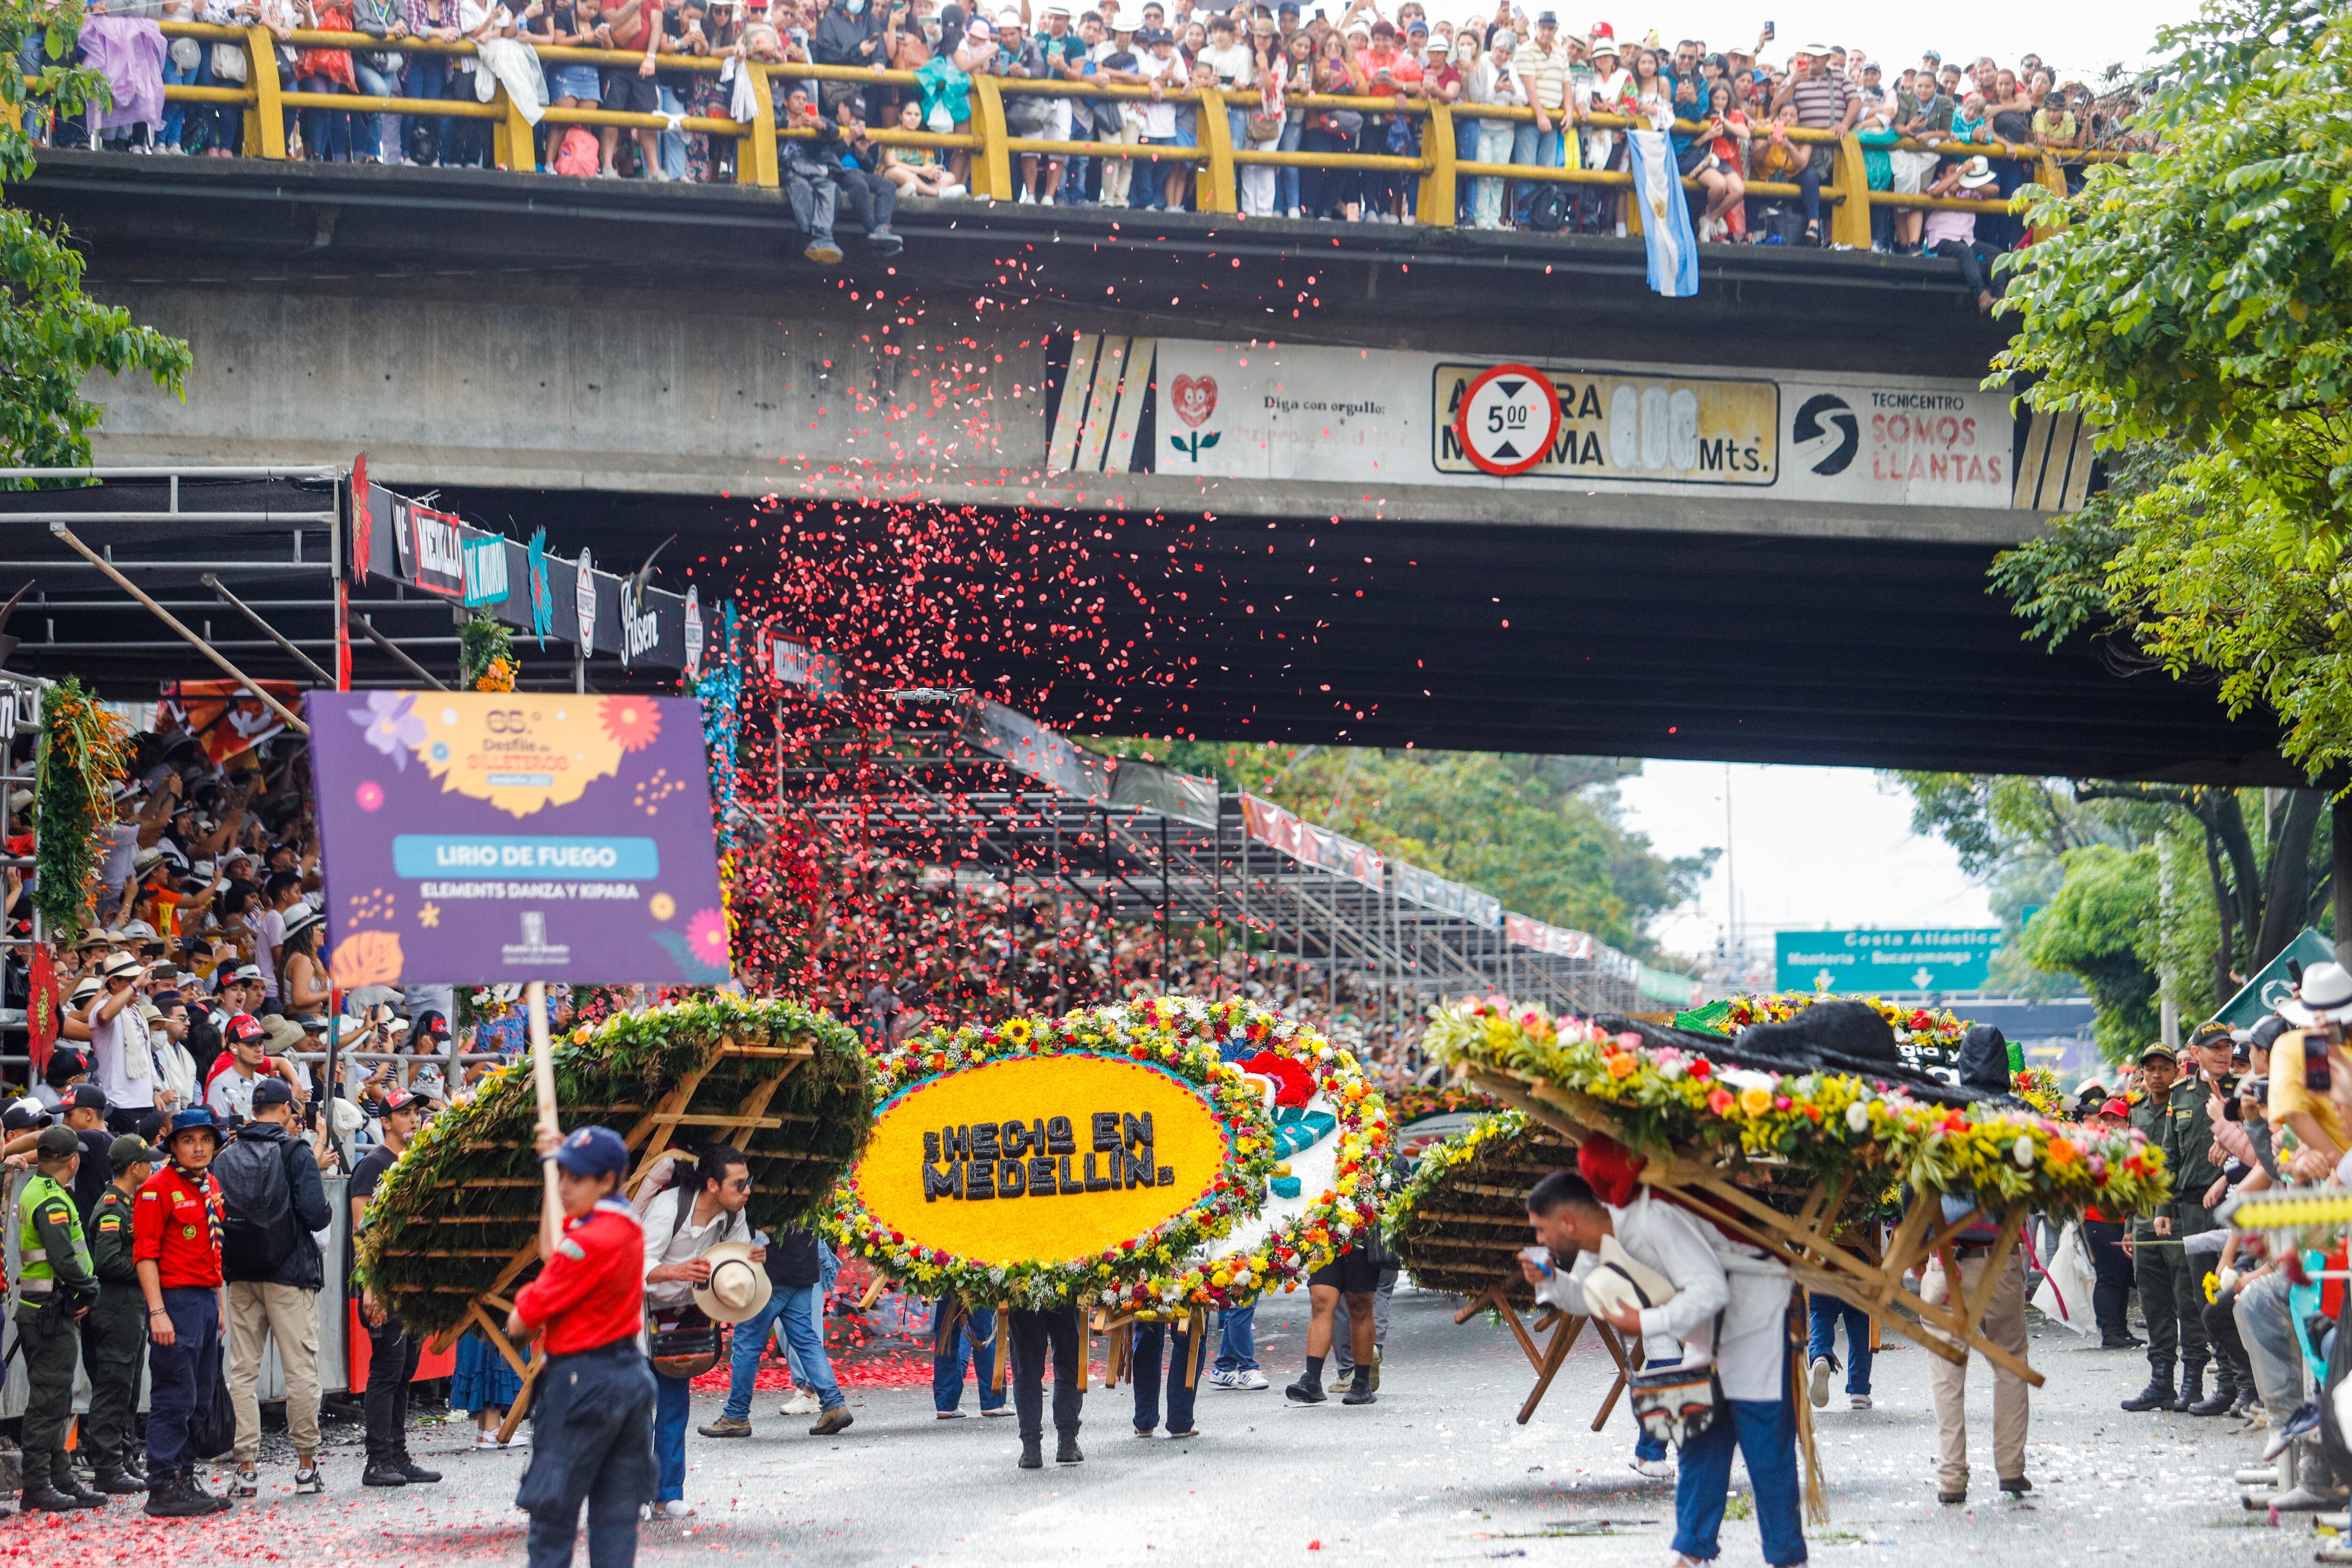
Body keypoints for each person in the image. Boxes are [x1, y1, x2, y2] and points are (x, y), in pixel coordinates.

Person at [1520, 1169, 1804, 1568]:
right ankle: (1691, 1550)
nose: (1539, 1240)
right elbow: (1586, 1297)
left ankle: (1787, 1557)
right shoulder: (1594, 1242)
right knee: (1698, 1435)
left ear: (1568, 1221)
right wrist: (1550, 1280)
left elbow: (1711, 1288)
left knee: (1764, 1443)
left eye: (1541, 1229)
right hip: (1704, 1329)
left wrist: (1646, 1322)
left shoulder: (1652, 1218)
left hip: (1755, 1315)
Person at [509, 1124, 657, 1568]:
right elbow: (553, 1241)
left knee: (552, 1517)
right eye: (562, 1175)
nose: (564, 1187)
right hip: (629, 1378)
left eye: (576, 1178)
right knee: (615, 1520)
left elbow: (520, 1320)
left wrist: (531, 1294)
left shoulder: (588, 1242)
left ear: (607, 1180)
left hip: (582, 1384)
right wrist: (554, 1164)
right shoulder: (626, 1223)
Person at [1922, 1024, 2033, 1504]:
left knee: (1947, 1370)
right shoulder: (2023, 1116)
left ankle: (1952, 1477)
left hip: (1946, 1260)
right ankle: (2011, 1470)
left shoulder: (1940, 1112)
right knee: (2009, 1361)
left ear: (1963, 1063)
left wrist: (1918, 1248)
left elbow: (1913, 1187)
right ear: (2004, 1066)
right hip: (2000, 1260)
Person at [216, 1076, 334, 1497]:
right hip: (290, 1274)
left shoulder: (226, 1154)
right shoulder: (296, 1150)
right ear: (286, 1109)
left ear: (253, 1109)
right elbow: (317, 1214)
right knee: (300, 1370)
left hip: (241, 1274)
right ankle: (305, 1466)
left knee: (242, 1371)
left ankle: (246, 1467)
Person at [641, 1143, 763, 1518]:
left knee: (675, 1406)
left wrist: (753, 1259)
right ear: (712, 1185)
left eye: (749, 1182)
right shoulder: (669, 1208)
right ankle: (632, 1495)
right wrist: (676, 1271)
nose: (747, 1191)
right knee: (637, 1407)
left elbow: (739, 1253)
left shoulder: (733, 1214)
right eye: (739, 1184)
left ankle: (668, 1493)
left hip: (687, 1317)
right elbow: (635, 1260)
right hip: (641, 1312)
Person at [135, 1107, 234, 1517]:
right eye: (189, 1140)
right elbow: (145, 1254)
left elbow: (214, 1248)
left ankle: (185, 1476)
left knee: (200, 1396)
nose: (199, 1148)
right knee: (175, 1395)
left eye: (206, 1140)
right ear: (173, 1146)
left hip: (205, 1300)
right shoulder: (157, 1187)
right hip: (175, 1301)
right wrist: (157, 1310)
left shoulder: (209, 1183)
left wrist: (219, 1305)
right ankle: (162, 1484)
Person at [351, 1087, 447, 1484]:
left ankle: (398, 1453)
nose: (413, 1118)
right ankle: (377, 1459)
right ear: (385, 1121)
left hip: (413, 1283)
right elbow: (362, 1232)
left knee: (406, 1369)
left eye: (415, 1112)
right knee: (387, 1369)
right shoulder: (372, 1166)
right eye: (404, 1113)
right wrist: (370, 1286)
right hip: (384, 1283)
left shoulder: (416, 1162)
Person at [18, 1124, 107, 1512]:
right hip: (50, 1312)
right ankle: (38, 1485)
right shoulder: (52, 1200)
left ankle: (61, 1479)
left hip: (44, 1309)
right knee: (48, 1402)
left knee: (56, 1399)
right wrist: (90, 1289)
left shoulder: (36, 1189)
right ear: (72, 1161)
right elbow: (63, 1258)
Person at [701, 1220, 852, 1437]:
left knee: (747, 1344)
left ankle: (736, 1416)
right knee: (806, 1340)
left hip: (769, 1271)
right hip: (803, 1265)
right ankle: (834, 1405)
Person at [84, 1132, 165, 1497]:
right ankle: (107, 1466)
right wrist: (147, 1270)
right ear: (134, 1167)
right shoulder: (112, 1208)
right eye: (148, 1163)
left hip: (130, 1307)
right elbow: (106, 1260)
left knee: (129, 1388)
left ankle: (125, 1457)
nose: (152, 1168)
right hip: (115, 1307)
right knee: (113, 1387)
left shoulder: (130, 1204)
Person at [2122, 1042, 2197, 1411]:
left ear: (2176, 1071)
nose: (2157, 1075)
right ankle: (2161, 1382)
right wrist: (2128, 1224)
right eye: (2150, 1069)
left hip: (2179, 1217)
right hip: (2143, 1218)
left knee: (2188, 1301)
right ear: (2142, 1073)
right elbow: (2132, 1171)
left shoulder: (2186, 1105)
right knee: (2154, 1305)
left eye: (2164, 1068)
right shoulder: (2135, 1112)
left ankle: (2193, 1382)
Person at [1285, 1234, 1380, 1406]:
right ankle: (1312, 1379)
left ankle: (1362, 1383)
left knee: (1360, 1304)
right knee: (1320, 1300)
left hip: (1364, 1232)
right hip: (1324, 1232)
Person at [1009, 1302, 1086, 1469]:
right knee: (1068, 1363)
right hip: (1063, 1295)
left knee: (1027, 1368)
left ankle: (1031, 1448)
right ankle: (1067, 1443)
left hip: (1025, 1296)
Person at [1805, 1286, 1872, 1411]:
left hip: (1824, 1275)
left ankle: (1820, 1357)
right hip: (1860, 1277)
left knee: (1821, 1312)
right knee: (1860, 1319)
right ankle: (1859, 1393)